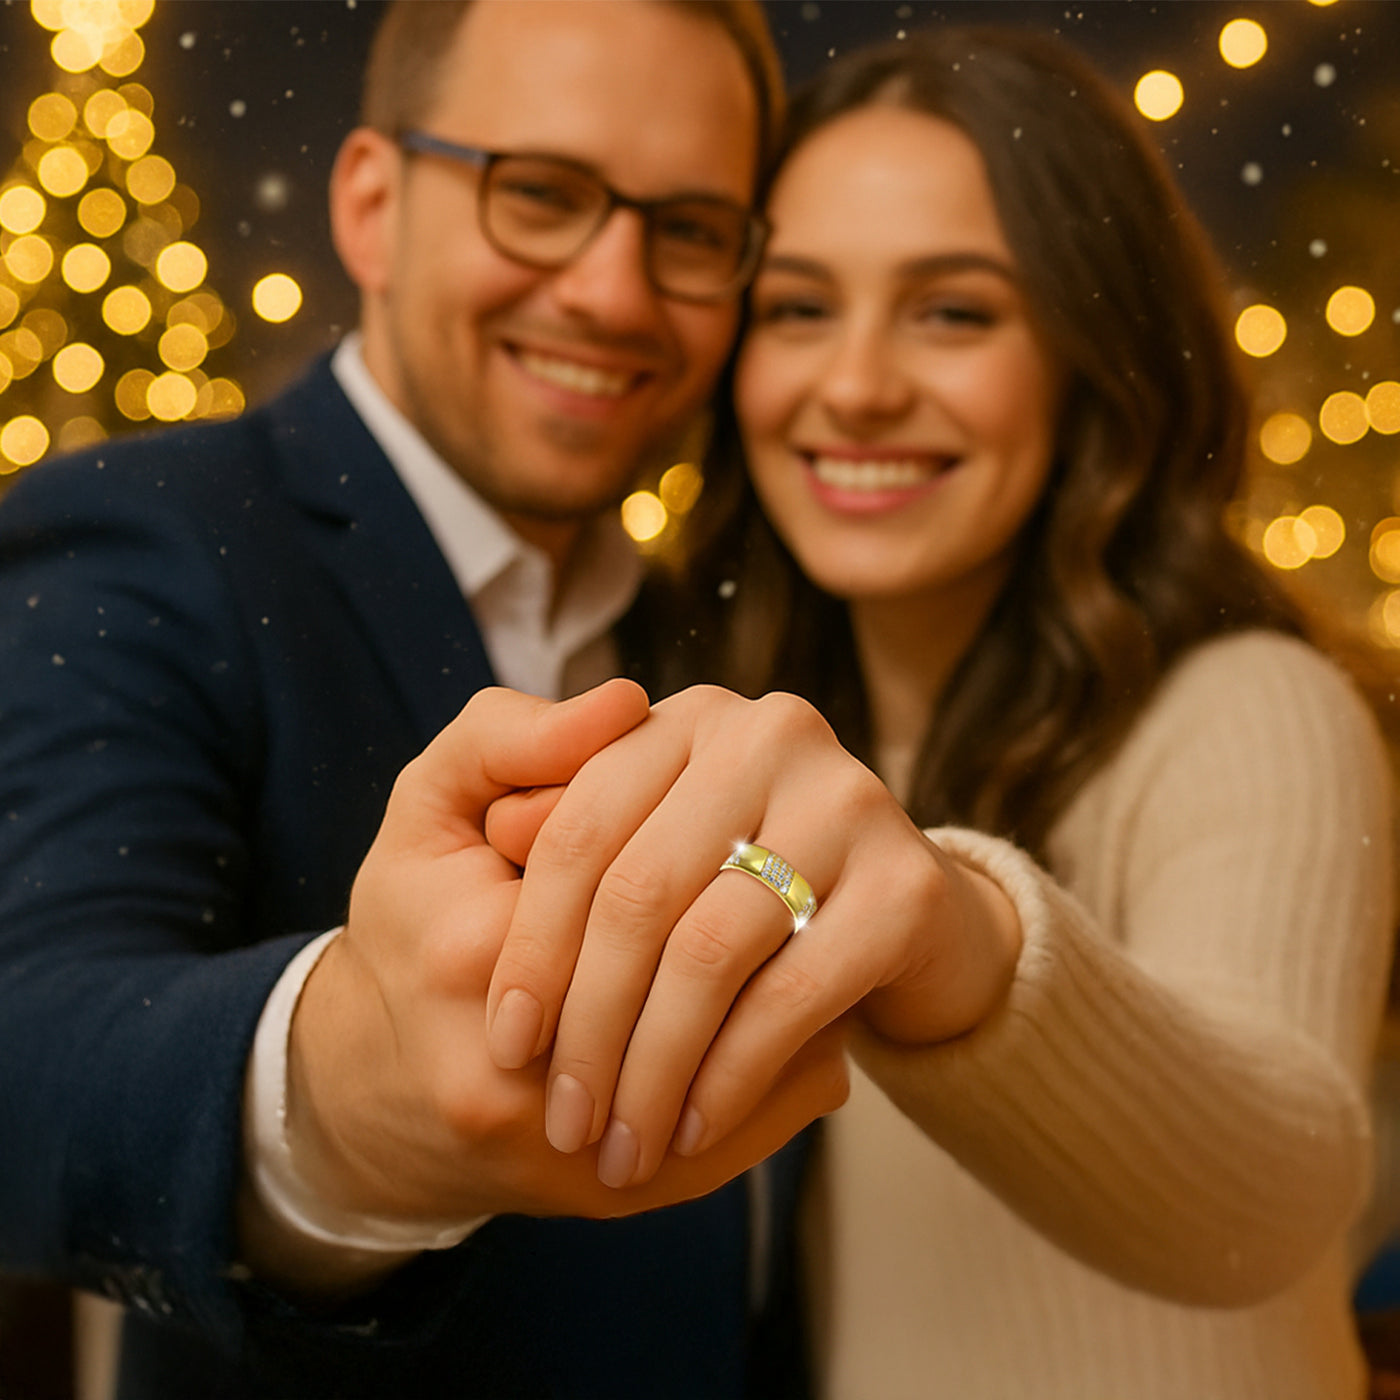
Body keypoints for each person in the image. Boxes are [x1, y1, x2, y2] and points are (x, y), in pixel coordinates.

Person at [478, 26, 1397, 1398]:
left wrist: (959, 935)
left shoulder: (1247, 707)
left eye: (953, 311)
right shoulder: (732, 708)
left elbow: (1272, 1198)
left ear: (1097, 353)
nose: (855, 387)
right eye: (796, 308)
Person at [0, 3, 848, 1396]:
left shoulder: (730, 633)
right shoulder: (150, 530)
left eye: (690, 230)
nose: (616, 292)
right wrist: (342, 1099)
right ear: (373, 206)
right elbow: (26, 1055)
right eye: (541, 195)